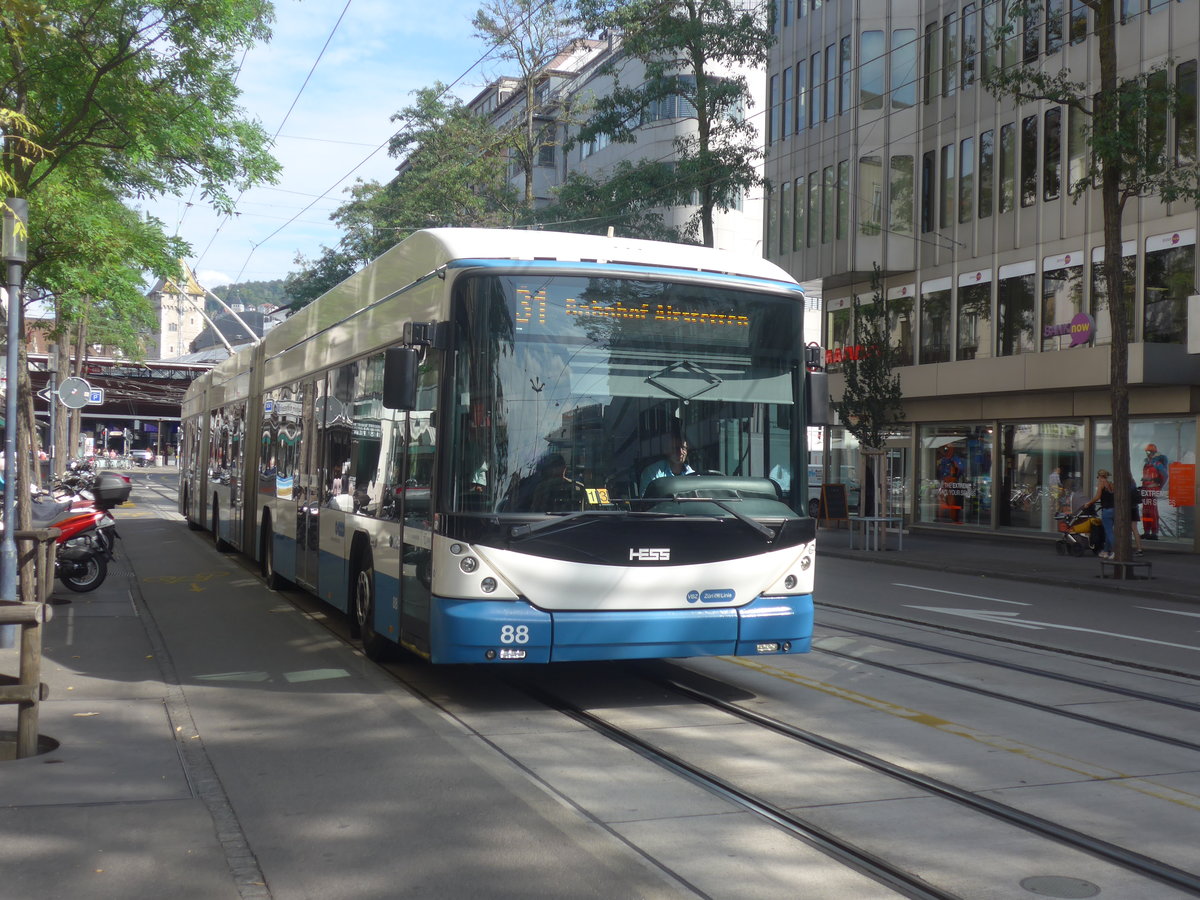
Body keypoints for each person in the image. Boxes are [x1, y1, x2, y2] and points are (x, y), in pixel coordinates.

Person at [1140, 443, 1169, 540]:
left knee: (1152, 511)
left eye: (1149, 451)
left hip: (1152, 490)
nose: (1147, 453)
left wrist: (1159, 485)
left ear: (1153, 452)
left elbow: (1165, 476)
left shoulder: (1157, 464)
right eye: (1147, 452)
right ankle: (1146, 531)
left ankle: (1154, 532)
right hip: (1146, 490)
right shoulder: (1146, 464)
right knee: (1145, 511)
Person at [1086, 469, 1116, 559]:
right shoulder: (1111, 484)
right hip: (1114, 509)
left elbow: (1098, 496)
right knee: (1108, 532)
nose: (1098, 479)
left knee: (1109, 532)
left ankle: (1116, 551)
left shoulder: (1101, 483)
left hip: (1106, 510)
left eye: (1098, 477)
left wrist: (1089, 503)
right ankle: (1106, 551)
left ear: (1099, 476)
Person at [1129, 476, 1144, 557]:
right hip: (1135, 508)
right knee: (1135, 529)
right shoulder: (1133, 483)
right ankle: (1139, 549)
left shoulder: (1126, 485)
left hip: (1128, 509)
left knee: (1126, 529)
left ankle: (1126, 548)